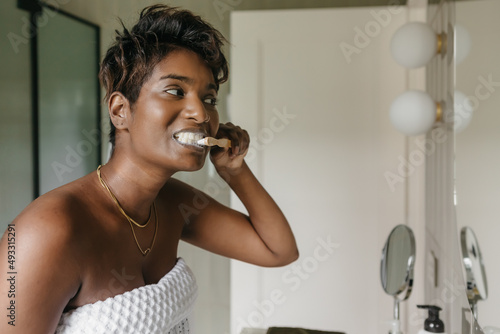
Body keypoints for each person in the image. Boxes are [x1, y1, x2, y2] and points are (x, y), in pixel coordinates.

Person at [0, 4, 298, 334]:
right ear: (120, 111)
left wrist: (234, 170)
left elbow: (279, 251)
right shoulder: (44, 232)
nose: (201, 113)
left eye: (209, 98)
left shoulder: (171, 204)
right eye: (175, 91)